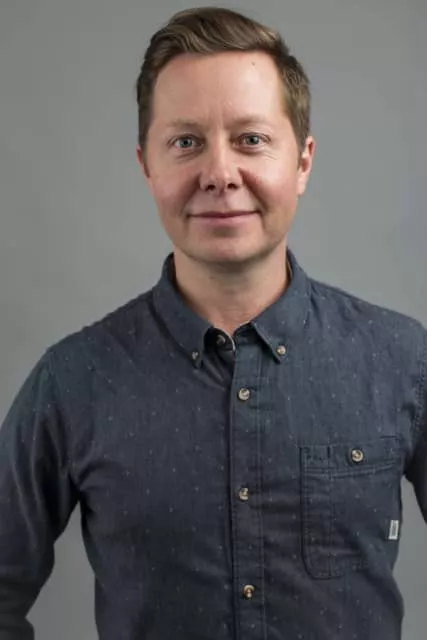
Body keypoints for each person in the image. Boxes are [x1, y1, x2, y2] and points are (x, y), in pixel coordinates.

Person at [0, 6, 426, 640]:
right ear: (146, 164)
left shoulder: (403, 359)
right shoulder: (72, 381)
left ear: (303, 162)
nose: (220, 174)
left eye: (251, 139)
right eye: (186, 142)